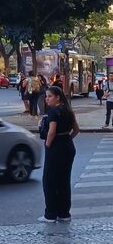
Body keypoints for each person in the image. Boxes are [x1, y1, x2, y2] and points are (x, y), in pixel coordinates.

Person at [39, 85, 79, 223]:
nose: (47, 99)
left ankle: (50, 214)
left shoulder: (54, 112)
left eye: (49, 96)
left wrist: (48, 145)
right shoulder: (68, 110)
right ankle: (64, 213)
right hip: (68, 145)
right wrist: (66, 139)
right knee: (63, 180)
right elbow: (76, 130)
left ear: (58, 97)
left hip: (56, 146)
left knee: (49, 181)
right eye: (46, 96)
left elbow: (51, 132)